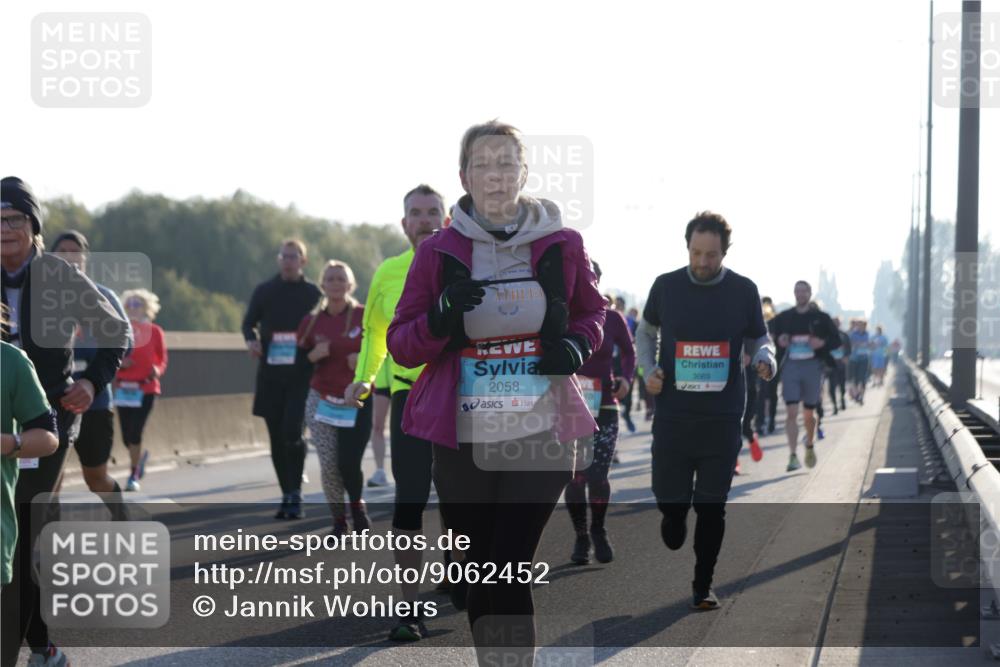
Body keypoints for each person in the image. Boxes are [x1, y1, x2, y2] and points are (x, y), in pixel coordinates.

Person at [387, 121, 605, 663]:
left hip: (540, 429)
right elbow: (401, 343)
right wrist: (439, 317)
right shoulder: (437, 251)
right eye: (482, 164)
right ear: (463, 176)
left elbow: (593, 312)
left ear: (523, 173)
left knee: (507, 565)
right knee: (478, 569)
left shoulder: (563, 243)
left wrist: (576, 346)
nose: (495, 174)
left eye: (506, 163)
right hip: (464, 437)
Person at [1, 176, 129, 667]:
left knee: (18, 532)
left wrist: (93, 382)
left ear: (33, 227)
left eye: (14, 220)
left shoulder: (58, 274)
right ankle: (40, 645)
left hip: (45, 420)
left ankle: (32, 647)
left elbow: (116, 330)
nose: (4, 230)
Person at [636, 211, 775, 611]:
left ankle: (703, 585)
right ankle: (673, 514)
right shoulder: (666, 287)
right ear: (687, 248)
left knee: (712, 506)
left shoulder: (744, 290)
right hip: (674, 416)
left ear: (724, 253)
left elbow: (759, 338)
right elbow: (645, 333)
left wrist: (766, 359)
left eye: (711, 255)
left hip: (722, 416)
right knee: (672, 505)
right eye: (696, 253)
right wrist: (648, 371)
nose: (702, 262)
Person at [343, 184, 446, 641]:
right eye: (415, 214)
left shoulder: (465, 265)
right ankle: (408, 605)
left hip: (466, 397)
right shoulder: (388, 272)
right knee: (411, 497)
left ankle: (461, 573)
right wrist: (365, 378)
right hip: (410, 396)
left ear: (446, 219)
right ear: (404, 223)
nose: (423, 220)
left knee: (463, 498)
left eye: (432, 212)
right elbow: (375, 335)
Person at [49, 232, 134, 510]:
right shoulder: (39, 298)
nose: (69, 258)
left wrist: (91, 375)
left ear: (85, 260)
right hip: (51, 403)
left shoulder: (103, 296)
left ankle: (120, 513)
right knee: (50, 482)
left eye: (75, 252)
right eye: (62, 251)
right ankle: (45, 544)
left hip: (94, 402)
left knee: (95, 479)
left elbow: (126, 342)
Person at [242, 240, 322, 519]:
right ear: (279, 260)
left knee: (292, 431)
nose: (288, 261)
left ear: (303, 261)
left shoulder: (313, 293)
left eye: (294, 257)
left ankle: (296, 492)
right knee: (276, 437)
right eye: (284, 256)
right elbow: (248, 323)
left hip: (302, 373)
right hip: (270, 374)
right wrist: (251, 341)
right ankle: (287, 493)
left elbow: (324, 325)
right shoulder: (265, 291)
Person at [567, 261, 634, 564]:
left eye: (590, 278)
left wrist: (626, 379)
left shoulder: (613, 318)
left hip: (605, 404)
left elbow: (630, 353)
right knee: (575, 477)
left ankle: (598, 529)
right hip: (569, 405)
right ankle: (581, 538)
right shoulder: (562, 314)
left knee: (598, 475)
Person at [298, 260, 371, 535]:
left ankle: (357, 506)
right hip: (322, 398)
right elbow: (297, 361)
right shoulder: (311, 321)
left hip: (356, 398)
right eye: (331, 279)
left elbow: (384, 349)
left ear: (351, 285)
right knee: (329, 465)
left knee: (348, 463)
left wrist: (361, 359)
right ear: (322, 285)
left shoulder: (365, 316)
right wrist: (311, 356)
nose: (336, 283)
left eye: (341, 279)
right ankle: (339, 521)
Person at [769, 282, 840, 472]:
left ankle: (809, 443)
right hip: (791, 367)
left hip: (813, 367)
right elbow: (768, 332)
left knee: (809, 413)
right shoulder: (785, 317)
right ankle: (792, 456)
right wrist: (779, 340)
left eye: (804, 291)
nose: (800, 294)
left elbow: (837, 340)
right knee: (792, 412)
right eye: (797, 291)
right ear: (794, 294)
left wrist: (821, 342)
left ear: (809, 294)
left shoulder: (820, 318)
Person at [113, 289, 165, 492]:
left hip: (147, 388)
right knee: (127, 436)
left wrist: (157, 370)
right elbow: (110, 356)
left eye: (137, 304)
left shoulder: (155, 331)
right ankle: (139, 457)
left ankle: (133, 474)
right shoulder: (119, 330)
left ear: (147, 308)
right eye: (129, 305)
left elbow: (162, 359)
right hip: (124, 389)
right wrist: (120, 363)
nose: (133, 308)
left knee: (136, 432)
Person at [365, 360, 391, 487]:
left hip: (405, 383)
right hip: (380, 384)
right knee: (377, 427)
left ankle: (421, 468)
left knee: (411, 428)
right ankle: (380, 471)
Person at [827, 316, 851, 413]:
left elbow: (849, 348)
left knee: (842, 384)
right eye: (834, 322)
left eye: (837, 322)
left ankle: (842, 399)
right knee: (831, 387)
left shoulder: (844, 335)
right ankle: (835, 406)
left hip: (841, 363)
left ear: (840, 323)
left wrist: (846, 357)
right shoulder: (827, 335)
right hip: (831, 364)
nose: (836, 324)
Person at [848, 319, 871, 404]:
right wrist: (859, 344)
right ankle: (857, 394)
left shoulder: (868, 334)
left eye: (863, 325)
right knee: (856, 378)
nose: (861, 327)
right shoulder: (853, 334)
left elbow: (869, 344)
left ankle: (862, 396)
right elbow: (850, 343)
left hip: (864, 358)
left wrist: (867, 344)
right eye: (859, 325)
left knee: (863, 378)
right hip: (854, 359)